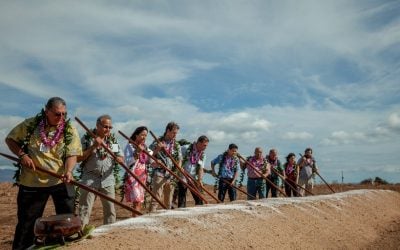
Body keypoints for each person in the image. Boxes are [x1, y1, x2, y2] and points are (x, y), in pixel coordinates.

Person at [5, 97, 82, 250]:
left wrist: (68, 171)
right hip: (32, 182)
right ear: (46, 111)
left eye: (64, 114)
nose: (61, 118)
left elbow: (72, 153)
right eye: (57, 114)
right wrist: (23, 156)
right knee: (27, 223)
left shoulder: (69, 128)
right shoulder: (30, 124)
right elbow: (10, 140)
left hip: (60, 180)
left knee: (68, 220)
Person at [77, 114, 124, 228]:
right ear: (97, 126)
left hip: (107, 179)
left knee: (110, 209)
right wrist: (93, 146)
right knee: (85, 209)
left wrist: (119, 159)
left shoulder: (112, 141)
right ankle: (80, 232)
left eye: (109, 127)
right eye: (105, 126)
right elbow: (78, 158)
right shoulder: (87, 138)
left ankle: (109, 234)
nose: (108, 129)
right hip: (90, 178)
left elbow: (120, 157)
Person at [149, 122, 182, 211]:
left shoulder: (177, 145)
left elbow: (179, 159)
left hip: (171, 175)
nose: (175, 135)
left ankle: (167, 220)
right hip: (159, 173)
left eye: (176, 133)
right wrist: (157, 149)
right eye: (174, 133)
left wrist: (176, 172)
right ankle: (150, 217)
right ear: (168, 131)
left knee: (168, 201)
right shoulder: (157, 142)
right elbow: (148, 155)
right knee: (156, 199)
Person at [123, 126, 151, 216]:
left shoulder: (145, 147)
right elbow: (128, 162)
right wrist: (137, 151)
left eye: (146, 135)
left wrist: (156, 158)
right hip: (132, 176)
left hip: (142, 176)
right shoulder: (129, 146)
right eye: (142, 135)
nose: (144, 137)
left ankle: (136, 218)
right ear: (136, 135)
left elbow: (151, 158)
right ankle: (136, 219)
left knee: (139, 201)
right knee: (136, 200)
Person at [178, 135, 209, 208]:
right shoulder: (186, 148)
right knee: (182, 196)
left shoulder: (203, 154)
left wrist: (200, 180)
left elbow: (201, 168)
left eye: (206, 146)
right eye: (204, 145)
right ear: (199, 143)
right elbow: (177, 156)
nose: (205, 147)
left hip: (193, 177)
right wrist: (180, 168)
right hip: (183, 175)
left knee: (198, 198)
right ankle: (181, 211)